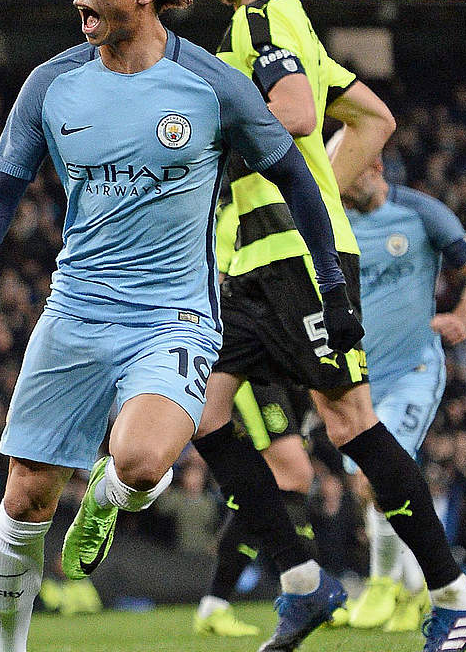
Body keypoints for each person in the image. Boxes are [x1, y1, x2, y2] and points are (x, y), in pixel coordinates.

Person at [0, 0, 361, 651]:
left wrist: (333, 287)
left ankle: (110, 497)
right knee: (24, 496)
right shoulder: (51, 84)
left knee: (143, 463)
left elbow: (298, 180)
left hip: (174, 315)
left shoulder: (211, 85)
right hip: (76, 311)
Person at [187, 0, 466, 649]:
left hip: (289, 264)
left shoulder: (262, 22)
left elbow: (293, 110)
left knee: (350, 424)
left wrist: (218, 138)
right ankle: (303, 581)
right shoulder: (281, 22)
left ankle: (454, 596)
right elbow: (375, 120)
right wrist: (318, 184)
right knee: (206, 417)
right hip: (254, 264)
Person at [340, 155, 466, 631]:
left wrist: (461, 319)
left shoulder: (420, 212)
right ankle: (415, 591)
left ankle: (383, 585)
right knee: (366, 489)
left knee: (379, 477)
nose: (344, 180)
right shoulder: (331, 219)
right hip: (358, 376)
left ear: (375, 167)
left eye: (352, 170)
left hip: (415, 368)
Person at [195, 203, 316, 638]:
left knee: (281, 477)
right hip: (241, 362)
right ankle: (297, 580)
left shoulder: (253, 209)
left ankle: (217, 603)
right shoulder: (235, 215)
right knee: (292, 473)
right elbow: (221, 284)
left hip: (263, 360)